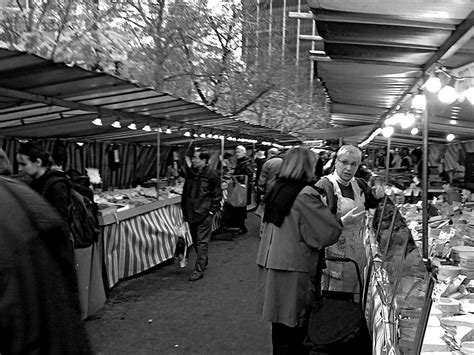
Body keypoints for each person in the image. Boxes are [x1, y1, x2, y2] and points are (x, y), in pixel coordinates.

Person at [256, 147, 342, 354]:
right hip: (292, 268)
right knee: (295, 330)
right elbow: (327, 233)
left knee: (279, 327)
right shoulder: (305, 195)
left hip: (272, 264)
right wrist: (339, 218)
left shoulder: (278, 188)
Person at [0, 176, 92, 354]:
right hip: (57, 328)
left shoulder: (14, 206)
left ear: (38, 161)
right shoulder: (19, 194)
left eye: (24, 164)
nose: (22, 170)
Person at [316, 145, 384, 295]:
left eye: (353, 164)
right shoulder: (325, 186)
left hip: (355, 250)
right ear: (336, 163)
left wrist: (377, 195)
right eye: (344, 162)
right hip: (332, 253)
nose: (348, 168)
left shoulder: (359, 184)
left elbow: (370, 204)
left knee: (352, 294)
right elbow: (316, 226)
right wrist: (341, 222)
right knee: (334, 297)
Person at [182, 149, 222, 281]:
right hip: (191, 213)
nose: (193, 160)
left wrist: (211, 211)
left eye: (195, 158)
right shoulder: (191, 174)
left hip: (204, 214)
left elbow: (217, 195)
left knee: (201, 242)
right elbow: (185, 194)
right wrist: (184, 211)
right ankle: (203, 261)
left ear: (204, 161)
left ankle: (199, 269)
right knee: (196, 241)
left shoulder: (212, 175)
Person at [225, 145, 253, 235]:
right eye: (236, 152)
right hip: (241, 189)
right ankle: (239, 226)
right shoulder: (242, 162)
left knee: (240, 208)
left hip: (242, 190)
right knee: (239, 208)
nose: (237, 154)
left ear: (244, 152)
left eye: (239, 152)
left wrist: (235, 177)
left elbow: (248, 176)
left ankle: (241, 227)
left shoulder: (245, 163)